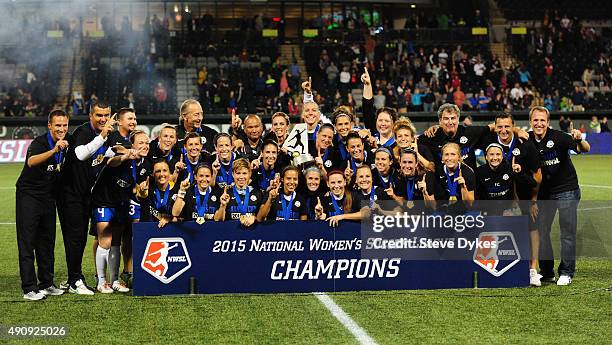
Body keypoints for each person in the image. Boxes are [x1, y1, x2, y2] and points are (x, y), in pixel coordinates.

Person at [58, 99, 114, 295]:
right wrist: (103, 136)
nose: (103, 119)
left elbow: (105, 154)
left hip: (85, 195)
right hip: (70, 194)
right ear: (91, 115)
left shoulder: (106, 134)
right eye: (99, 115)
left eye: (106, 115)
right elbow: (81, 154)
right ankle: (75, 280)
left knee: (79, 238)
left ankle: (74, 277)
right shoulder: (84, 132)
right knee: (75, 238)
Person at [529, 106, 590, 286]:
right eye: (536, 120)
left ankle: (566, 271)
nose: (539, 123)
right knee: (542, 231)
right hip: (544, 194)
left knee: (567, 232)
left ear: (548, 122)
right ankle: (546, 272)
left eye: (542, 120)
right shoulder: (527, 140)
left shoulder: (560, 137)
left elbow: (585, 148)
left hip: (566, 190)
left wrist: (579, 139)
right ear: (531, 122)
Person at [16, 109, 69, 301]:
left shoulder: (67, 143)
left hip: (48, 198)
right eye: (58, 125)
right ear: (49, 125)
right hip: (28, 196)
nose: (62, 129)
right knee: (27, 242)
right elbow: (31, 162)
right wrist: (54, 150)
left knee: (47, 242)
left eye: (64, 125)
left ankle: (46, 283)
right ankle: (29, 288)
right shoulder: (39, 142)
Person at [90, 132, 149, 293]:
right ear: (133, 145)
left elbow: (136, 189)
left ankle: (114, 280)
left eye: (147, 143)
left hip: (120, 204)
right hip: (103, 201)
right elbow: (111, 162)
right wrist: (125, 156)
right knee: (106, 241)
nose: (145, 145)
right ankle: (101, 282)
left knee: (116, 241)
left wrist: (141, 190)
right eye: (141, 143)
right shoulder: (122, 155)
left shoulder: (144, 165)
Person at [214, 158, 267, 227]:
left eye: (244, 173)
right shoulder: (225, 193)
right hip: (230, 235)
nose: (241, 177)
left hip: (252, 234)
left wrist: (254, 218)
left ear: (250, 174)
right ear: (233, 174)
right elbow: (217, 220)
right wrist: (223, 205)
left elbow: (263, 218)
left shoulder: (257, 193)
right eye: (238, 173)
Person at [431, 143, 476, 212]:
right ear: (442, 157)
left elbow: (470, 204)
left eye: (453, 154)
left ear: (459, 157)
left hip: (464, 211)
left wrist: (463, 187)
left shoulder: (467, 172)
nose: (449, 158)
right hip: (444, 210)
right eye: (446, 154)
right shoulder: (438, 171)